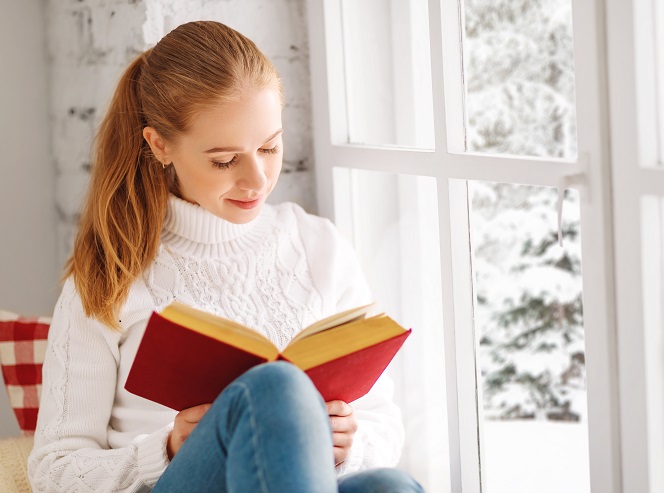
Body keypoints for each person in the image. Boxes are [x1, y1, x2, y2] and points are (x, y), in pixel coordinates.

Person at [27, 20, 423, 493]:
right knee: (275, 388)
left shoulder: (319, 246)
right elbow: (53, 471)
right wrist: (166, 450)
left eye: (269, 147)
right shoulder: (111, 274)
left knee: (391, 487)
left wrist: (346, 445)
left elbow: (383, 423)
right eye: (224, 160)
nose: (256, 179)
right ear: (160, 145)